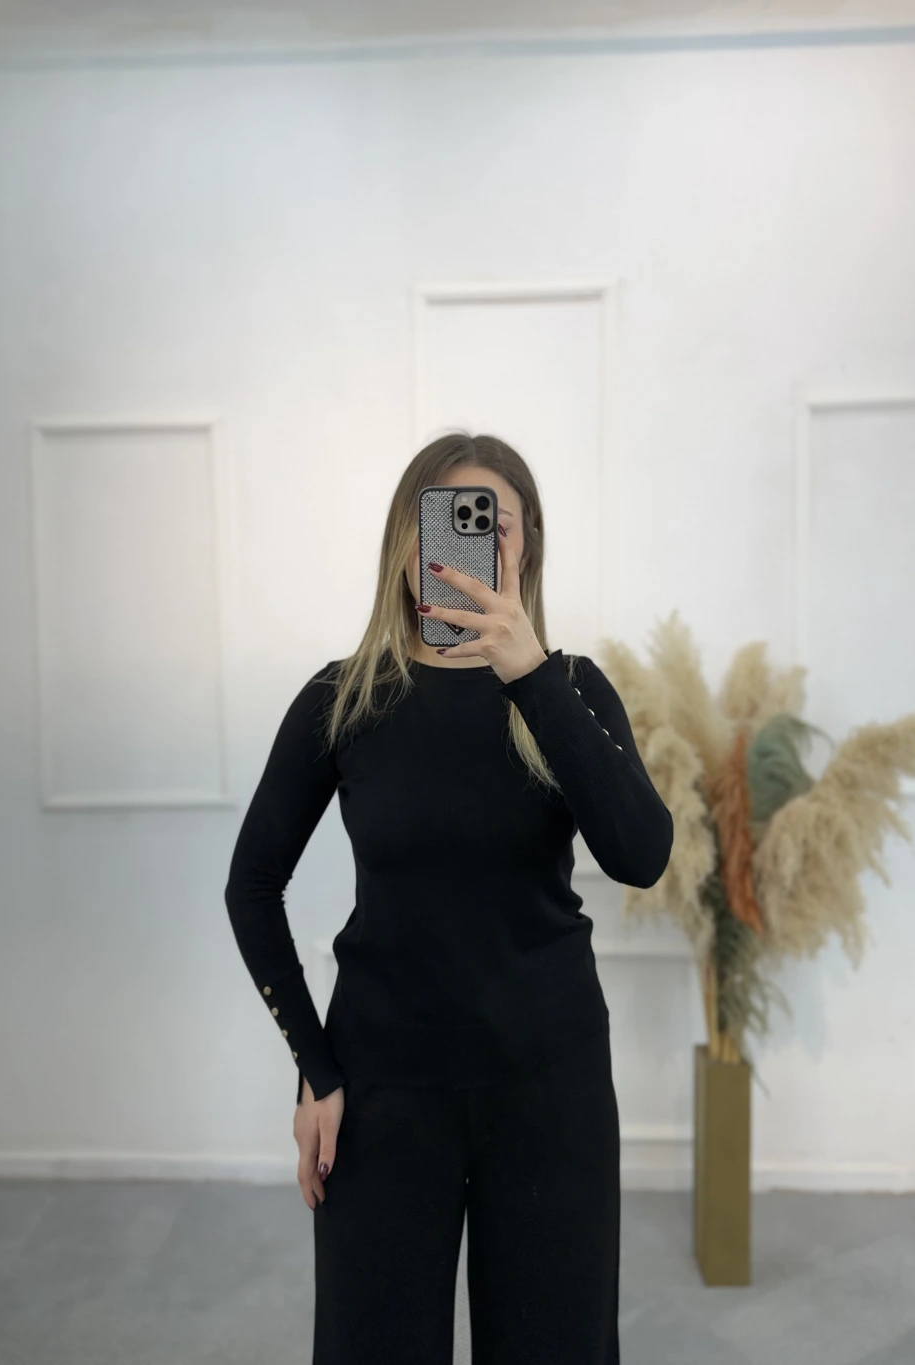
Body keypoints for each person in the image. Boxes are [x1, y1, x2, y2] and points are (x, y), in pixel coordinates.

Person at [223, 431, 674, 1365]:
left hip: (549, 1086)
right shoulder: (343, 700)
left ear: (527, 546)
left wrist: (531, 674)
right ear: (409, 543)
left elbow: (642, 855)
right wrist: (315, 1066)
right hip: (382, 1091)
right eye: (450, 523)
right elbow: (252, 885)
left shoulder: (571, 691)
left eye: (494, 526)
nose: (473, 544)